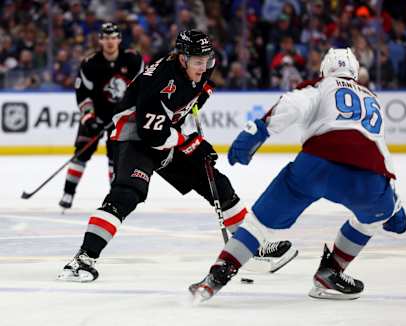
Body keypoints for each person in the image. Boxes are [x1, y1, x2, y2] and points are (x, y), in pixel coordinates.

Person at [57, 29, 297, 282]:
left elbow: (183, 113)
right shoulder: (158, 80)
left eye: (206, 61)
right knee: (127, 194)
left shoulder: (201, 70)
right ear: (181, 58)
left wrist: (194, 142)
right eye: (197, 62)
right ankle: (81, 259)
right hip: (135, 137)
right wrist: (189, 142)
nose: (203, 67)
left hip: (165, 134)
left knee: (217, 182)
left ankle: (251, 247)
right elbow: (152, 136)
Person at [189, 48, 406, 302]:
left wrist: (258, 130)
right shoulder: (373, 100)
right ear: (355, 72)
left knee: (259, 224)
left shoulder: (321, 85)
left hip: (316, 165)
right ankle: (331, 272)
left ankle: (216, 276)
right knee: (369, 220)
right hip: (368, 179)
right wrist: (393, 206)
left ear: (325, 70)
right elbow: (381, 151)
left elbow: (292, 105)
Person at [59, 22, 144, 210]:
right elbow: (82, 93)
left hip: (122, 117)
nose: (110, 41)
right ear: (100, 40)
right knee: (81, 153)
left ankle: (114, 197)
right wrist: (89, 119)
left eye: (113, 37)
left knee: (117, 158)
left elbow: (142, 89)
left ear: (119, 39)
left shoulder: (133, 59)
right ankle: (68, 192)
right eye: (106, 38)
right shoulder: (90, 63)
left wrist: (131, 113)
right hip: (97, 115)